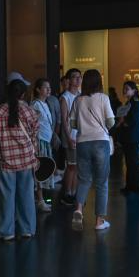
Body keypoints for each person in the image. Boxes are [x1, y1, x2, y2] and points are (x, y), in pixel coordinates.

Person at [0, 79, 40, 241]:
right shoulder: (30, 111)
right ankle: (27, 229)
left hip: (5, 159)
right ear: (23, 94)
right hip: (26, 159)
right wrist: (34, 154)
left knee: (7, 196)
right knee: (27, 195)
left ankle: (7, 231)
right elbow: (34, 137)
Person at [69, 69, 115, 232]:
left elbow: (72, 124)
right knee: (101, 183)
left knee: (84, 180)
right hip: (100, 142)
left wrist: (84, 125)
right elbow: (111, 122)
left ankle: (79, 209)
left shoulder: (78, 100)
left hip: (82, 143)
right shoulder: (103, 98)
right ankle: (99, 221)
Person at [58, 68, 82, 205]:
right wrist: (68, 138)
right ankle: (67, 193)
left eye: (79, 77)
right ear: (69, 80)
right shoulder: (65, 97)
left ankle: (74, 192)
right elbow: (64, 120)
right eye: (74, 77)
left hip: (80, 135)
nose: (78, 79)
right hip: (71, 136)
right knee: (71, 166)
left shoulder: (81, 95)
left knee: (77, 166)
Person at [30, 78, 54, 212]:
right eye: (45, 87)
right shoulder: (35, 105)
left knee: (44, 170)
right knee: (39, 171)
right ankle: (40, 200)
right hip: (39, 141)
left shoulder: (44, 104)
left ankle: (42, 199)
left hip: (46, 140)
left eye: (49, 87)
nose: (48, 90)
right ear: (38, 89)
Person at [118, 81, 139, 193]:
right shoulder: (129, 102)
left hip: (133, 136)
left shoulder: (135, 103)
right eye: (124, 88)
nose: (125, 90)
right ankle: (130, 186)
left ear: (134, 90)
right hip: (129, 136)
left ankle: (135, 186)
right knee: (129, 162)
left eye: (127, 88)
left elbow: (133, 119)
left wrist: (123, 122)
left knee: (133, 162)